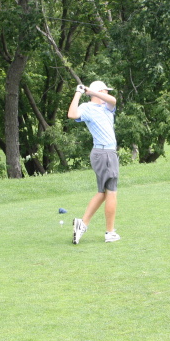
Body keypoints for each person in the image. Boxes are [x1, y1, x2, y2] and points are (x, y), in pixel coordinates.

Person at [67, 80, 120, 244]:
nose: (107, 93)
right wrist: (78, 93)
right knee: (111, 192)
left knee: (103, 192)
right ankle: (110, 232)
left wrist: (91, 91)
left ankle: (82, 224)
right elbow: (72, 114)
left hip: (104, 153)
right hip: (104, 153)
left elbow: (113, 100)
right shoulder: (87, 108)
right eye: (105, 91)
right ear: (100, 92)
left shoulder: (107, 107)